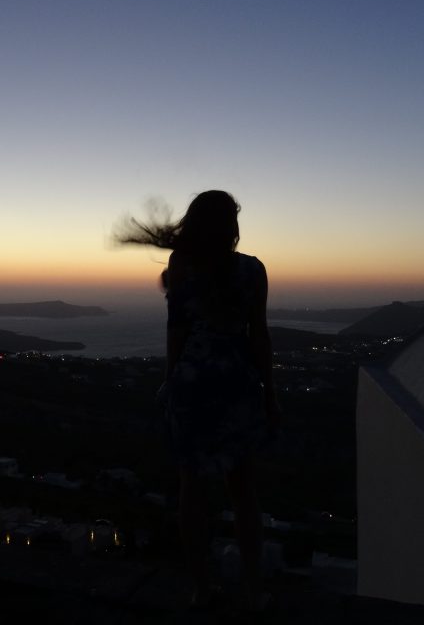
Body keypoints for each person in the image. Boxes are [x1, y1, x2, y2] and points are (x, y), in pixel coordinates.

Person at [118, 190, 280, 617]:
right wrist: (270, 391)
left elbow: (177, 332)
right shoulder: (253, 270)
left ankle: (202, 588)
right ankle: (253, 590)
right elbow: (258, 335)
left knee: (192, 488)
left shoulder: (182, 266)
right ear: (232, 227)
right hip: (237, 382)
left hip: (193, 383)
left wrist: (170, 382)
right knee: (243, 490)